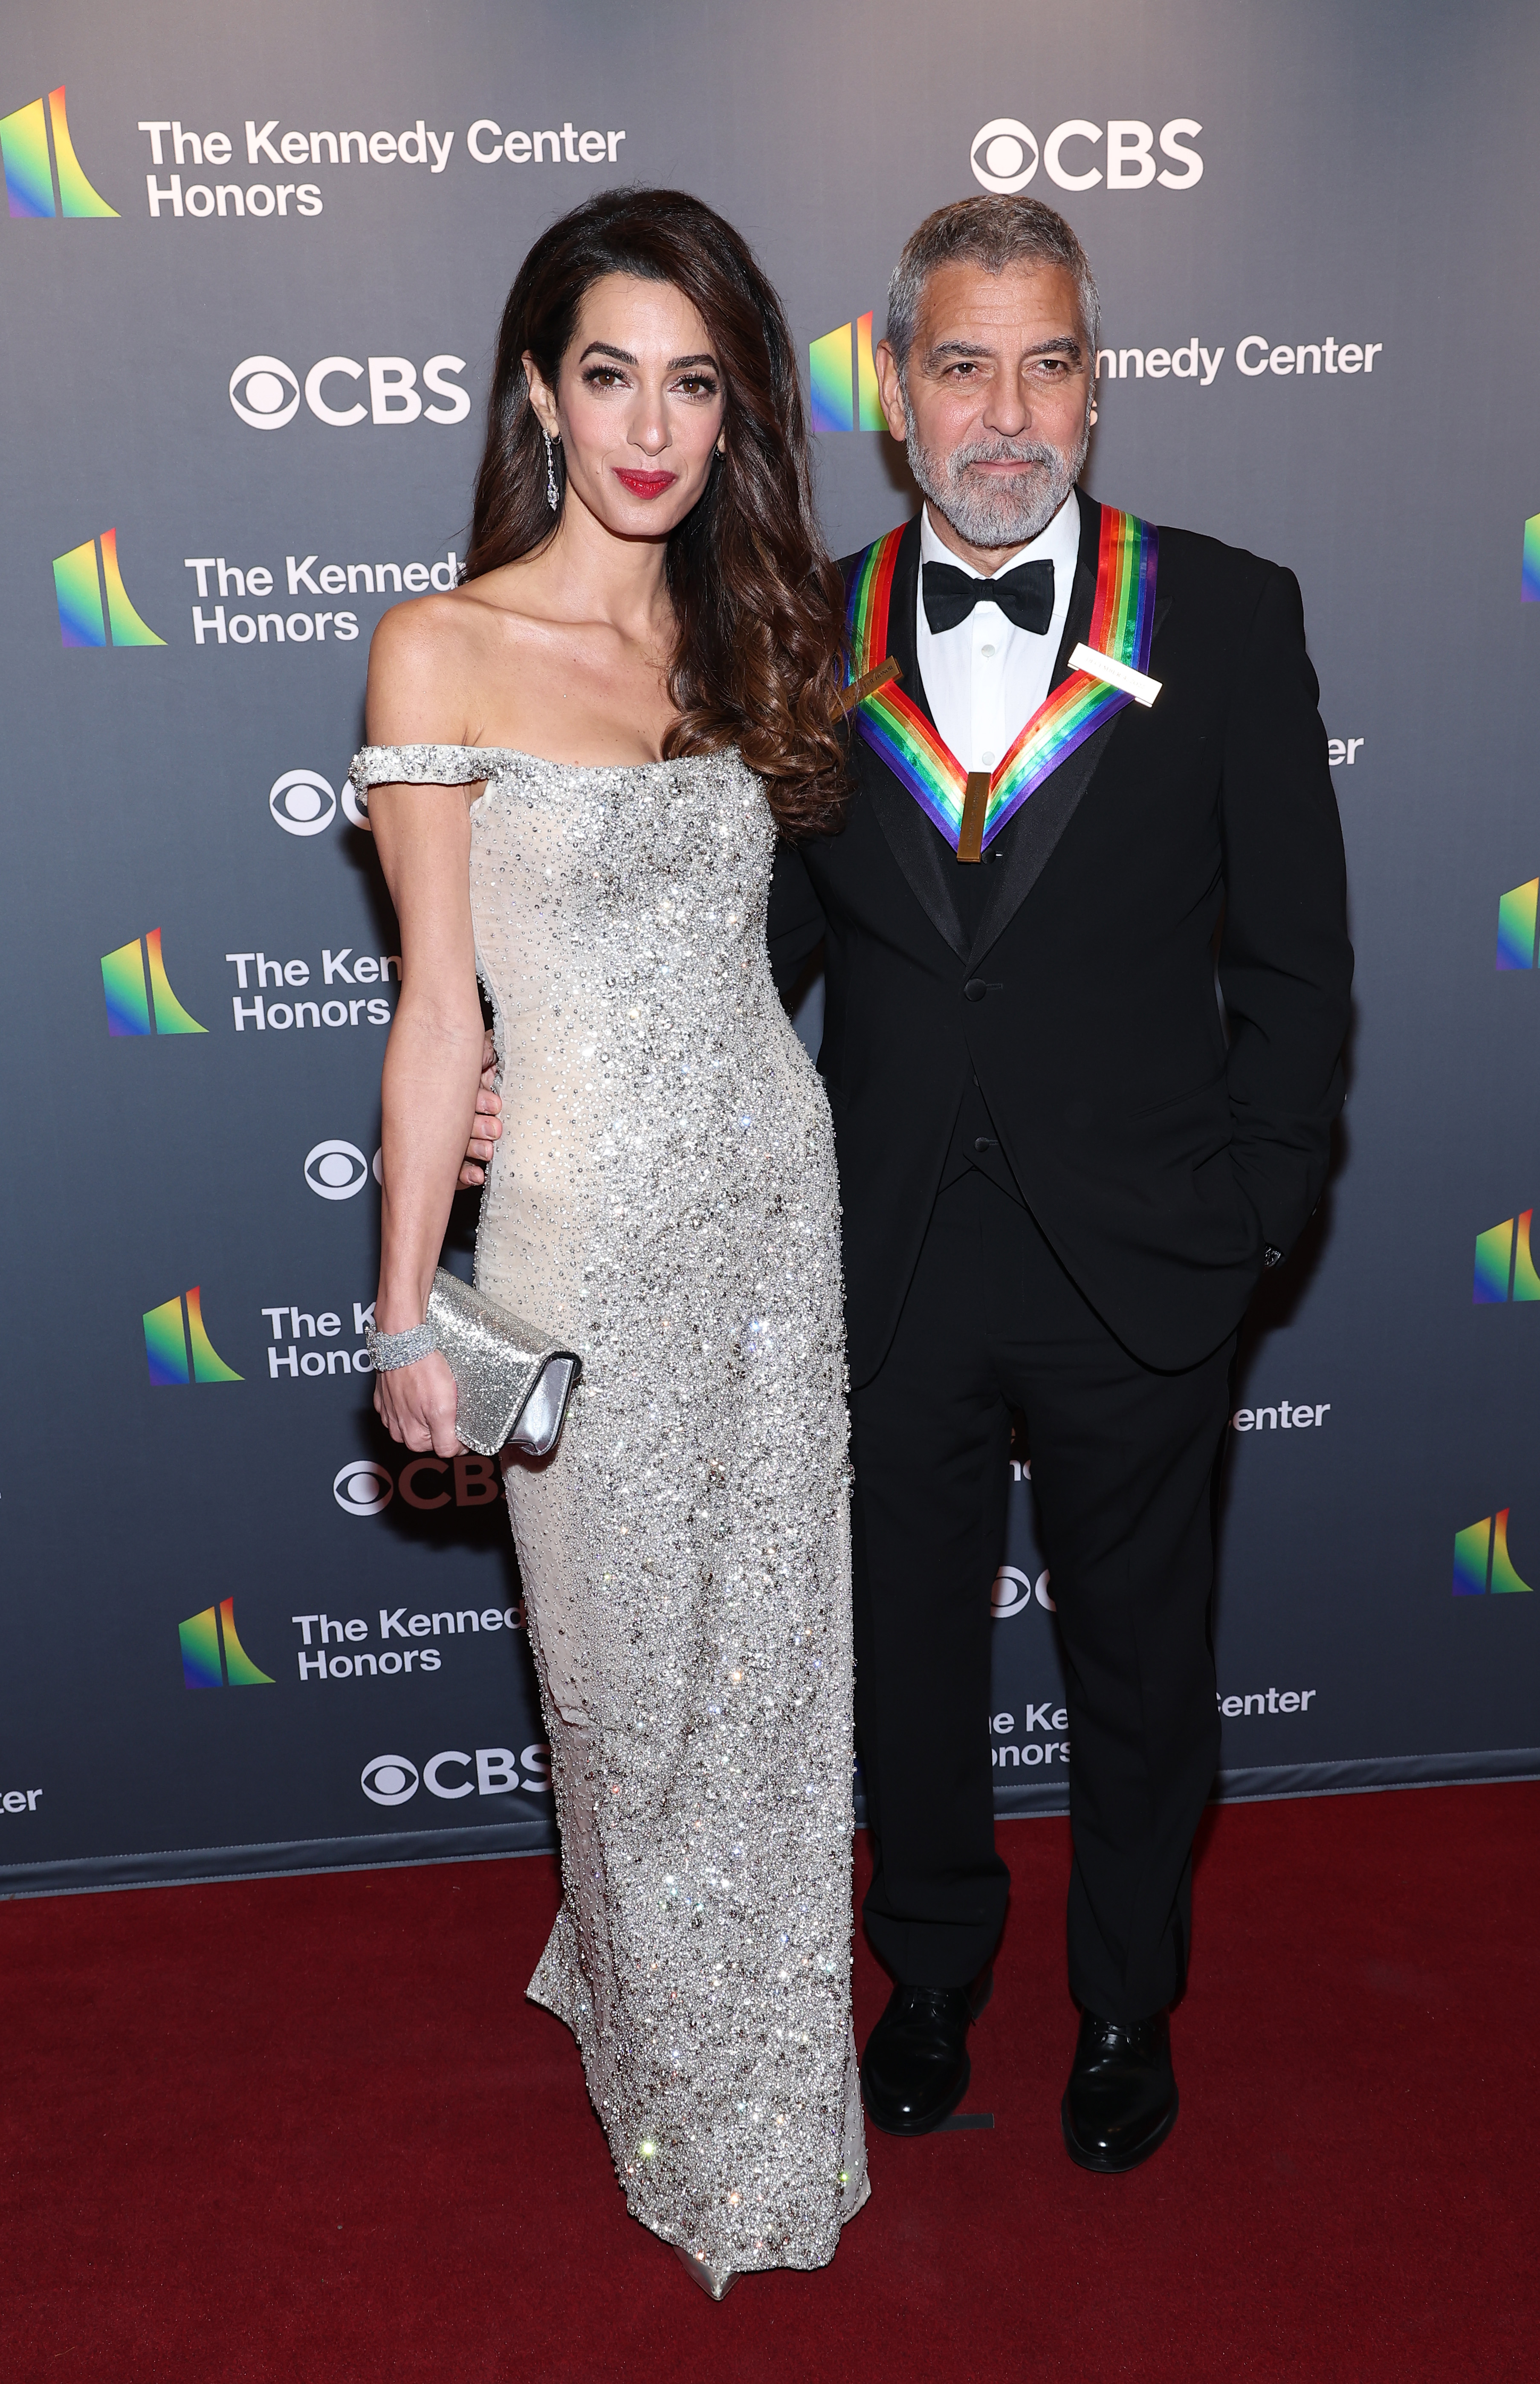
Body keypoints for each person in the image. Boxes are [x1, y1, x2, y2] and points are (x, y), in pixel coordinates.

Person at [469, 194, 1353, 2175]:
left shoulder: (1222, 612)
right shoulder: (803, 634)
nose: (1008, 410)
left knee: (1141, 1665)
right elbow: (721, 936)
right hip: (875, 1253)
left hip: (1146, 1256)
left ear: (1098, 389)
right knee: (908, 1663)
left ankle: (1127, 1998)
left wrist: (1249, 1219)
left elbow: (1297, 967)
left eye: (1049, 363)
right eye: (964, 363)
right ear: (894, 391)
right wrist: (530, 1074)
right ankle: (930, 1970)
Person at [353, 189, 867, 2299]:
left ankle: (757, 2069)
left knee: (773, 1682)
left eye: (693, 380)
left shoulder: (752, 631)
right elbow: (436, 1012)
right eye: (607, 373)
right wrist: (403, 1305)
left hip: (774, 1213)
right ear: (540, 396)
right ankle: (683, 2094)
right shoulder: (441, 645)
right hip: (579, 1232)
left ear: (729, 406)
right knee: (632, 1696)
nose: (649, 425)